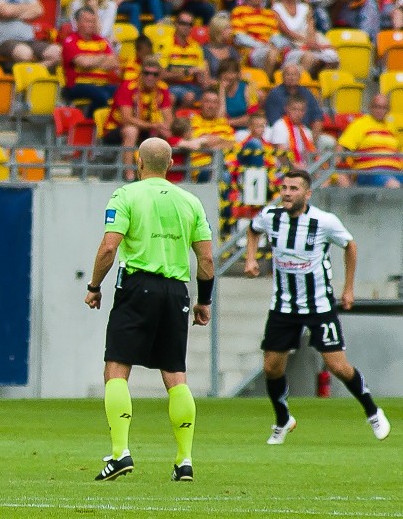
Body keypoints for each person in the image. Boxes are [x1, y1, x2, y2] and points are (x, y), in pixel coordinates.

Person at [85, 137, 214, 482]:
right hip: (176, 292)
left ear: (137, 162)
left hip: (137, 287)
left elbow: (108, 249)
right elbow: (206, 258)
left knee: (116, 370)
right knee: (175, 375)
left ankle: (120, 453)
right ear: (171, 164)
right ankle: (184, 460)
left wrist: (94, 286)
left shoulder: (126, 196)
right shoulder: (190, 201)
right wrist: (204, 300)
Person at [244, 169, 391, 444]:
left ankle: (372, 411)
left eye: (293, 189)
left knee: (337, 366)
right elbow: (253, 231)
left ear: (307, 194)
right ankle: (283, 420)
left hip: (319, 306)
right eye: (284, 188)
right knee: (272, 368)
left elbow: (350, 246)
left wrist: (348, 288)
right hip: (283, 305)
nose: (287, 193)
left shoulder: (324, 221)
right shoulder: (270, 216)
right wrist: (251, 259)